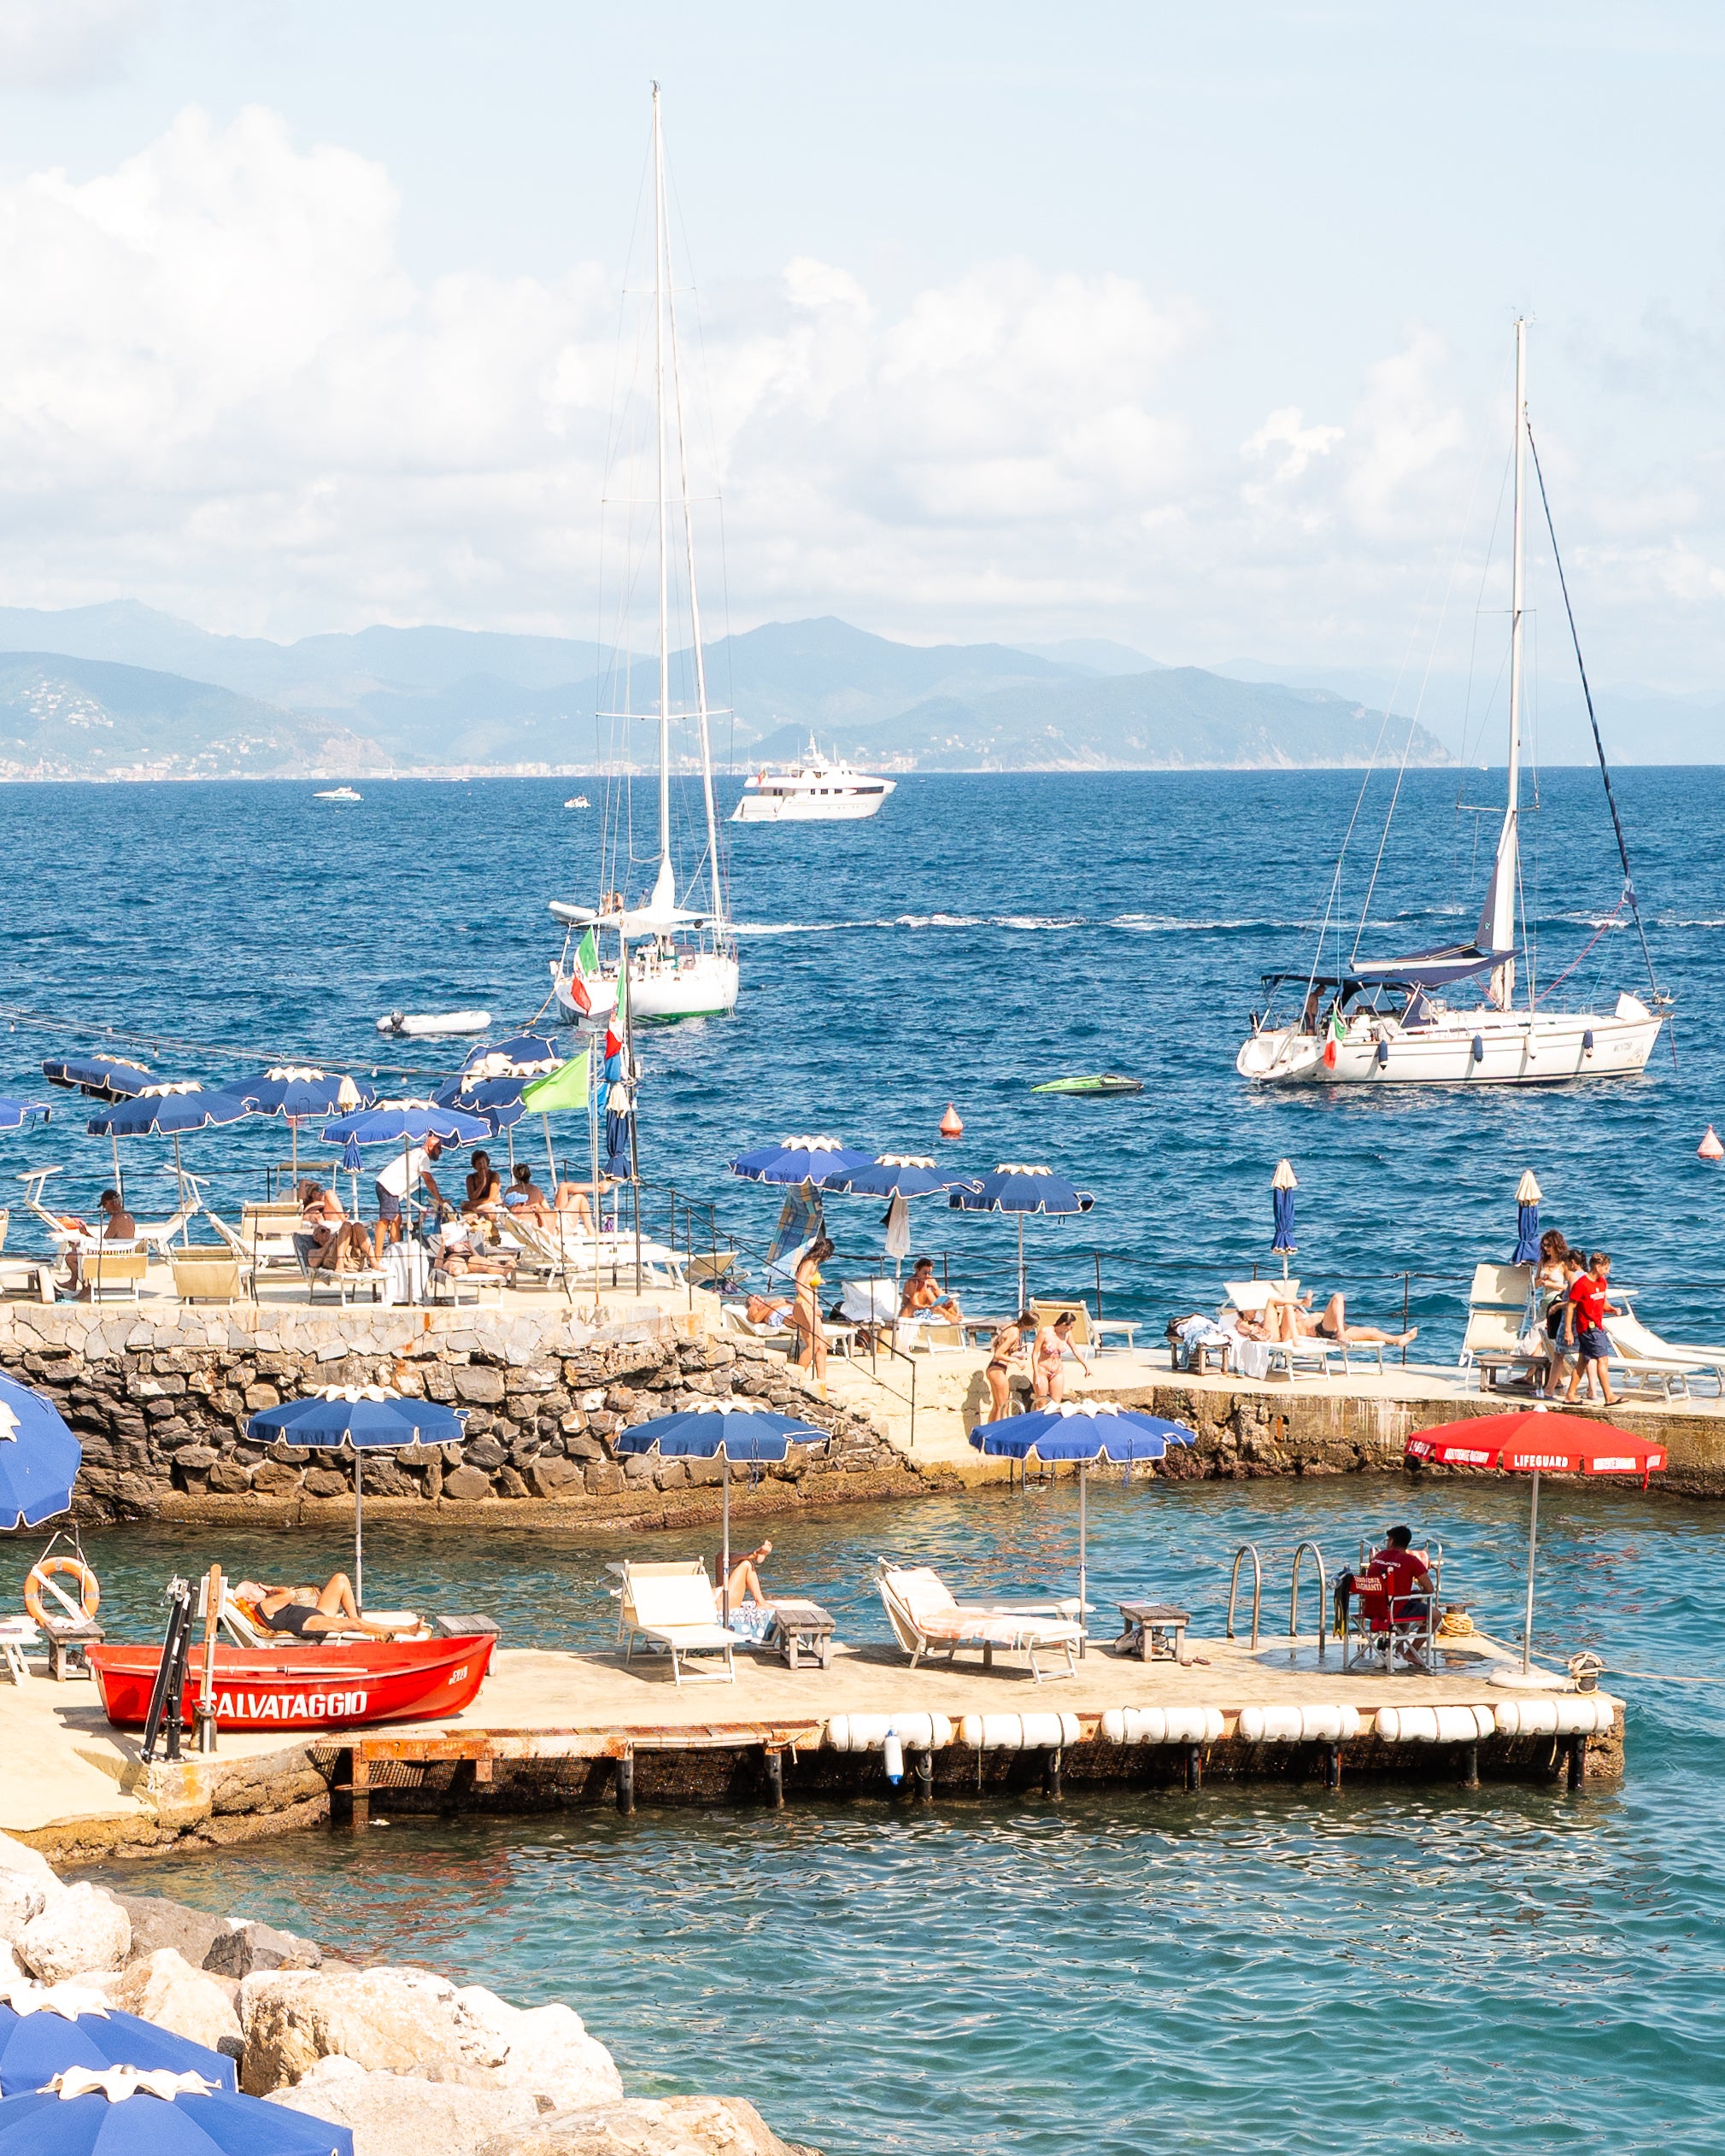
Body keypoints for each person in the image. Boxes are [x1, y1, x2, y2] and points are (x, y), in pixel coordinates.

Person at [234, 1573, 409, 1639]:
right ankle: (407, 1630)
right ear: (249, 1599)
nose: (259, 1585)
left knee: (340, 1579)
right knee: (356, 1625)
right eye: (255, 1587)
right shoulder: (261, 1607)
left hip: (316, 1614)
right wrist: (272, 1589)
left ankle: (356, 1620)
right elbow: (290, 1594)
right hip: (308, 1624)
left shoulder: (263, 1606)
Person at [1367, 1525, 1435, 1664]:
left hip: (1371, 1609)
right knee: (1435, 1616)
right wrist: (1419, 1593)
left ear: (1391, 1541)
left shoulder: (1378, 1556)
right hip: (1393, 1610)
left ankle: (1399, 1651)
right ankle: (1411, 1653)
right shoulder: (1411, 1560)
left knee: (1404, 1604)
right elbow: (1429, 1589)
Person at [373, 1135, 446, 1261]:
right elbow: (429, 1181)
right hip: (388, 1186)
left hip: (387, 1186)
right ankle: (376, 1257)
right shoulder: (423, 1157)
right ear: (430, 1147)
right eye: (438, 1148)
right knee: (385, 1220)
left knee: (397, 1219)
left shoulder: (417, 1153)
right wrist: (440, 1200)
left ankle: (394, 1253)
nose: (441, 1151)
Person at [1564, 1250, 1619, 1407]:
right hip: (1588, 1328)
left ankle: (1570, 1395)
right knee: (1603, 1359)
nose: (1608, 1272)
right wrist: (1568, 1330)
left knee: (1582, 1361)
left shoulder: (1602, 1283)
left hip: (1598, 1326)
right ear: (1597, 1267)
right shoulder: (1581, 1284)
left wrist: (1612, 1309)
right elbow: (1570, 1307)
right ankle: (1609, 1396)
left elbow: (1601, 1303)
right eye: (1606, 1268)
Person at [1270, 1289, 1416, 1348]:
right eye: (1294, 1310)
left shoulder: (1305, 1317)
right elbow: (1288, 1313)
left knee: (1372, 1331)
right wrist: (1293, 1306)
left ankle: (1398, 1340)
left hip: (1336, 1328)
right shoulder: (1292, 1326)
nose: (1296, 1310)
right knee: (1338, 1297)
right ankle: (1341, 1332)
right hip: (1324, 1331)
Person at [62, 1188, 137, 1294]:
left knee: (70, 1257)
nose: (105, 1209)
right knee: (77, 1250)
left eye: (105, 1205)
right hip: (120, 1254)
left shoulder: (118, 1219)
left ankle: (84, 1287)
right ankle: (74, 1283)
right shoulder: (128, 1217)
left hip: (112, 1259)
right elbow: (107, 1242)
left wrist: (86, 1235)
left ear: (112, 1203)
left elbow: (103, 1243)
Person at [789, 1237, 834, 1383]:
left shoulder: (813, 1264)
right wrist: (814, 1305)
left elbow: (808, 1282)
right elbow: (799, 1285)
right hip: (804, 1305)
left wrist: (818, 1281)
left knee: (822, 1344)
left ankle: (822, 1381)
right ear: (824, 1252)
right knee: (813, 1344)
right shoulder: (808, 1263)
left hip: (811, 1305)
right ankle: (797, 1378)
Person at [1032, 1309, 1093, 1404]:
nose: (1072, 1329)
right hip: (1042, 1370)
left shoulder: (1067, 1334)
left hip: (1057, 1371)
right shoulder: (1045, 1332)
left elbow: (1075, 1350)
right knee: (1041, 1403)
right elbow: (1035, 1354)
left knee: (1056, 1404)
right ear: (1064, 1324)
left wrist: (1086, 1366)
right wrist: (1036, 1373)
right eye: (1071, 1327)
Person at [984, 1310, 1035, 1421]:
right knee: (1003, 1407)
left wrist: (1015, 1350)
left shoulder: (1011, 1328)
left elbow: (996, 1344)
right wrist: (1016, 1361)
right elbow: (998, 1354)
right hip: (998, 1369)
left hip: (994, 1368)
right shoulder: (1015, 1333)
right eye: (1034, 1325)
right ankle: (997, 1434)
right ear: (1029, 1324)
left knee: (997, 1407)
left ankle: (988, 1432)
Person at [901, 1257, 963, 1325]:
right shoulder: (912, 1282)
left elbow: (940, 1294)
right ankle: (947, 1315)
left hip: (925, 1308)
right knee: (927, 1292)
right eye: (924, 1272)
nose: (927, 1275)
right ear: (917, 1270)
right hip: (908, 1311)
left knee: (945, 1299)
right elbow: (915, 1304)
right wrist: (930, 1307)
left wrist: (947, 1302)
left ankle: (953, 1314)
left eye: (929, 1273)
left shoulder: (930, 1280)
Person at [463, 1151, 504, 1219]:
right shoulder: (470, 1178)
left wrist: (473, 1204)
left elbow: (491, 1199)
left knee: (481, 1212)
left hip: (492, 1205)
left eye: (483, 1163)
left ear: (487, 1163)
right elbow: (472, 1197)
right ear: (474, 1166)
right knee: (464, 1205)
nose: (482, 1166)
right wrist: (482, 1184)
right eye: (479, 1163)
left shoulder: (494, 1175)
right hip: (478, 1206)